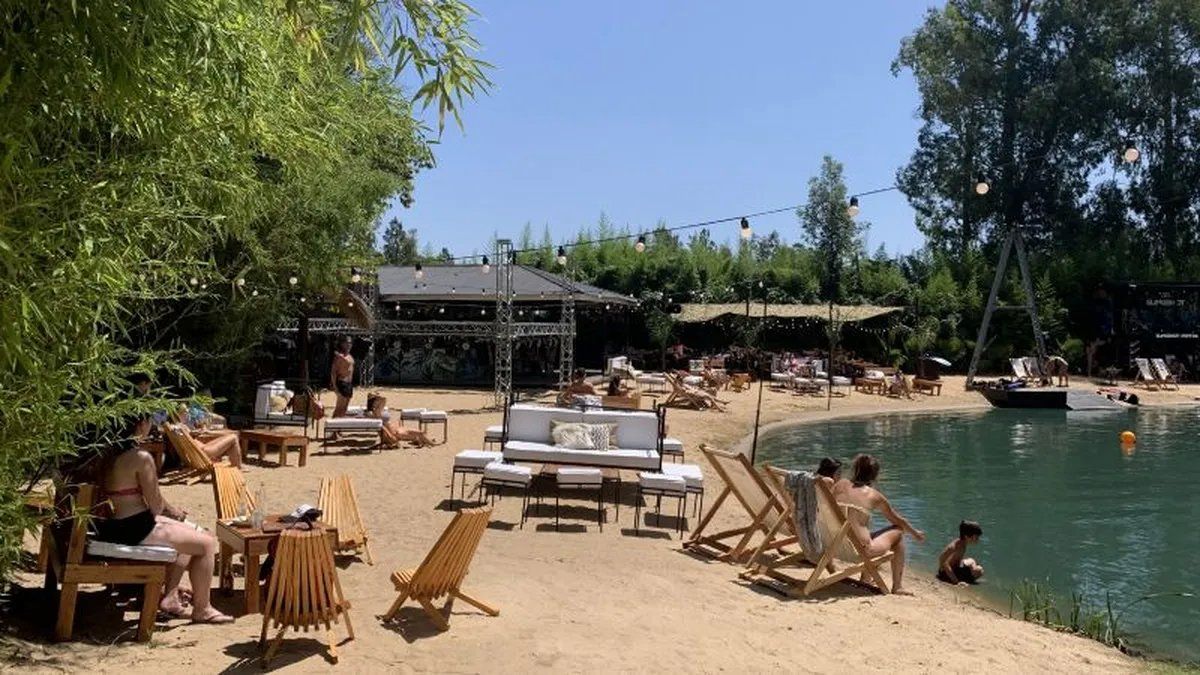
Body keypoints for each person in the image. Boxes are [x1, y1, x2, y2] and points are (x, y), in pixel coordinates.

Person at [93, 415, 232, 623]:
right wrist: (172, 512)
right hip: (136, 527)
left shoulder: (108, 454)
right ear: (140, 425)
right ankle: (203, 608)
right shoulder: (140, 457)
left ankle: (171, 597)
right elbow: (156, 505)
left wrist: (172, 514)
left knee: (192, 534)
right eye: (149, 421)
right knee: (207, 543)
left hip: (115, 524)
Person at [832, 454, 925, 594]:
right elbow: (898, 520)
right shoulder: (874, 496)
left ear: (855, 469)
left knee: (866, 533)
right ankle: (897, 586)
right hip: (860, 551)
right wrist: (915, 534)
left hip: (834, 544)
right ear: (875, 476)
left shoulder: (840, 484)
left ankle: (866, 577)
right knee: (898, 532)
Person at [366, 394, 434, 448]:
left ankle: (422, 441)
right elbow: (384, 399)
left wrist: (374, 397)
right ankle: (431, 443)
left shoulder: (375, 412)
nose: (378, 403)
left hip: (397, 430)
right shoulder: (376, 413)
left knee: (420, 434)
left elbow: (383, 399)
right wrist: (376, 396)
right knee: (420, 433)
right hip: (396, 433)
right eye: (376, 401)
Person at [937, 520, 985, 585]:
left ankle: (970, 572)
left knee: (971, 560)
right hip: (946, 574)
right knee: (979, 571)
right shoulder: (956, 547)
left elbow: (951, 559)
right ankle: (967, 579)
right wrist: (956, 582)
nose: (978, 539)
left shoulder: (961, 542)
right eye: (976, 537)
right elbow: (944, 563)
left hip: (952, 568)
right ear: (966, 536)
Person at [330, 336, 355, 418]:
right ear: (342, 344)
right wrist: (335, 387)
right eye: (347, 343)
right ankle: (332, 427)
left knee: (344, 409)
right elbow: (333, 372)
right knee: (339, 408)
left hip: (349, 384)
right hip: (342, 383)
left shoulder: (350, 356)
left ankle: (338, 428)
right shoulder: (339, 356)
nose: (349, 345)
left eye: (350, 343)